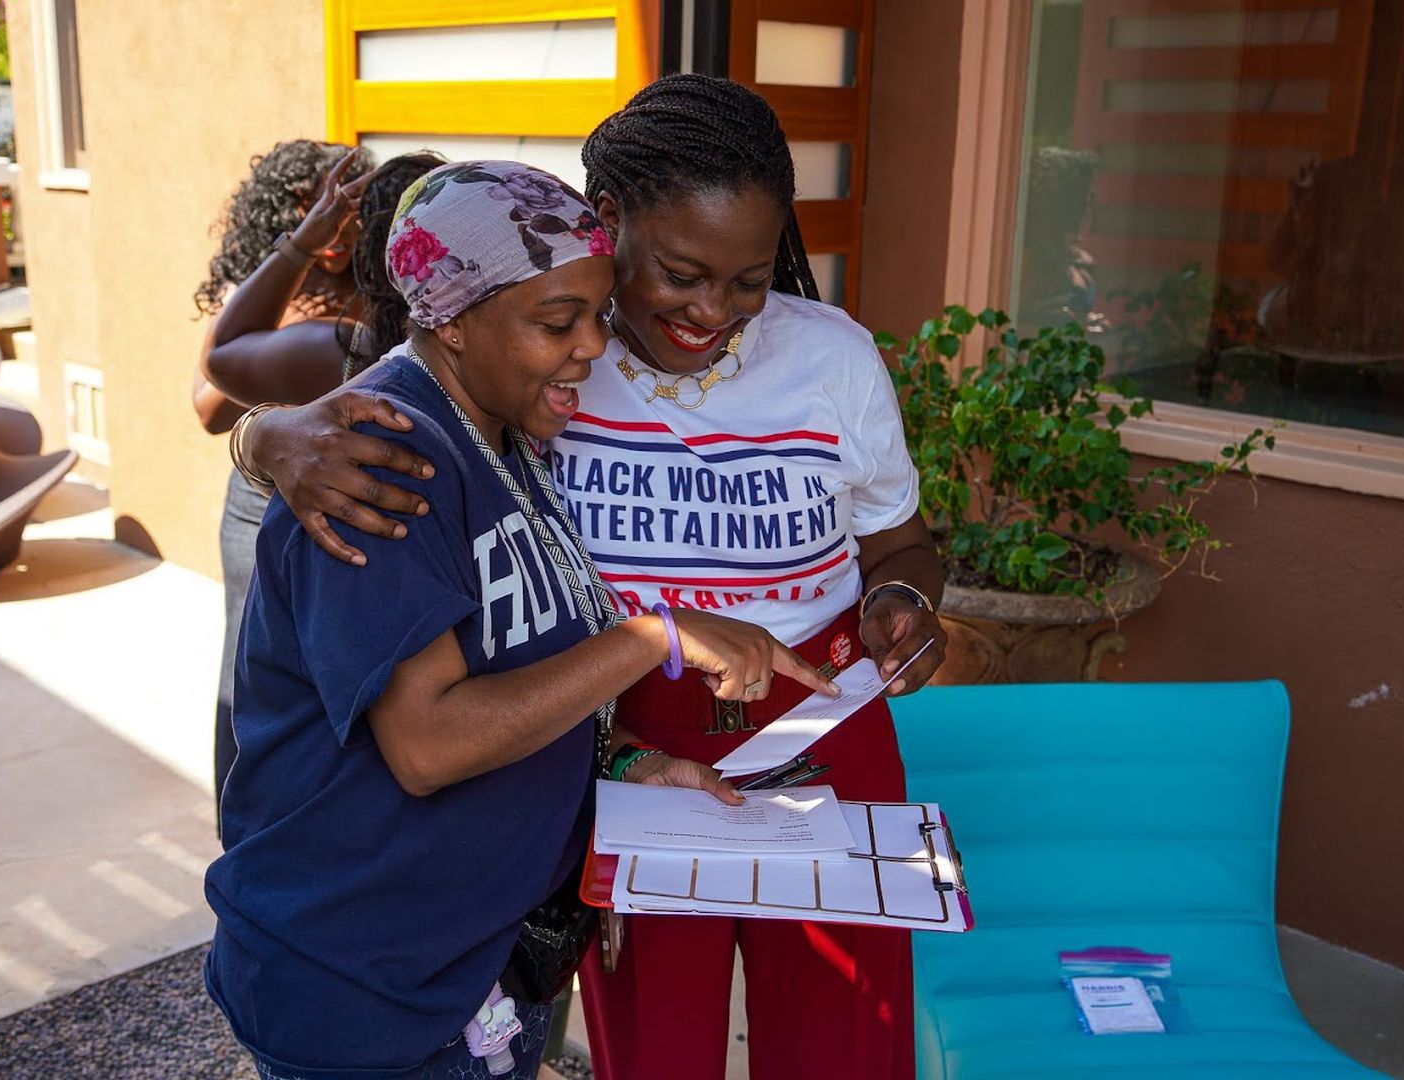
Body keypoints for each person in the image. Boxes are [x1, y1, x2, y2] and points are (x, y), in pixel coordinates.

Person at [231, 76, 948, 1080]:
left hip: (805, 717)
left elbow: (899, 540)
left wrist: (901, 601)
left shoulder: (814, 360)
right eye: (683, 274)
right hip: (613, 723)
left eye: (748, 280)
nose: (714, 312)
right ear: (611, 226)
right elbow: (336, 392)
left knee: (839, 1036)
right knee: (656, 1043)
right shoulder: (534, 358)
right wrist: (267, 438)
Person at [192, 141, 443, 818]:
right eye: (315, 212)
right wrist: (265, 432)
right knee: (252, 672)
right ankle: (243, 820)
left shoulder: (364, 334)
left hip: (357, 524)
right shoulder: (335, 335)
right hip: (265, 500)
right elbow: (211, 397)